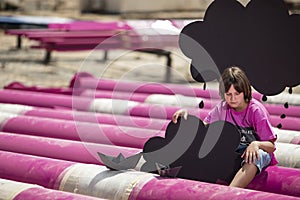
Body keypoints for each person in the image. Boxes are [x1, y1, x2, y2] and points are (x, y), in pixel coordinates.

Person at [172, 66, 277, 188]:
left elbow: (271, 146)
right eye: (228, 94)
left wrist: (256, 144)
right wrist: (187, 117)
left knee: (254, 157)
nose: (232, 99)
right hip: (233, 153)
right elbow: (203, 129)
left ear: (245, 92)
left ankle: (229, 193)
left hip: (255, 153)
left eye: (237, 94)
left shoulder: (255, 111)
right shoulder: (222, 108)